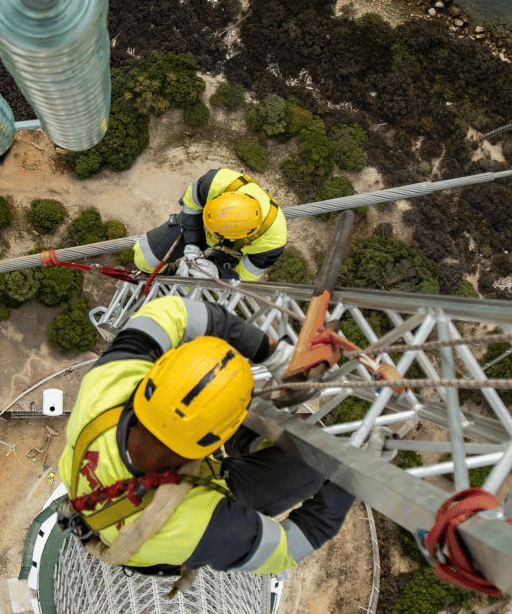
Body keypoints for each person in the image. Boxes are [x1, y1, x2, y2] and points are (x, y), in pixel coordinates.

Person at [57, 295, 355, 574]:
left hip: (120, 488)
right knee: (315, 466)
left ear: (153, 375)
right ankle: (248, 443)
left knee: (312, 458)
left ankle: (247, 441)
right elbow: (286, 549)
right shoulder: (196, 527)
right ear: (218, 444)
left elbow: (171, 311)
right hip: (157, 528)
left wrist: (270, 351)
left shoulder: (106, 386)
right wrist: (351, 477)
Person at [133, 168, 287, 282]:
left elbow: (244, 279)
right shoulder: (218, 181)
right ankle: (168, 271)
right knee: (144, 257)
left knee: (189, 284)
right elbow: (191, 205)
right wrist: (192, 244)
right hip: (197, 224)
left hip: (231, 252)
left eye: (216, 234)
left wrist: (217, 274)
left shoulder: (272, 242)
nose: (211, 236)